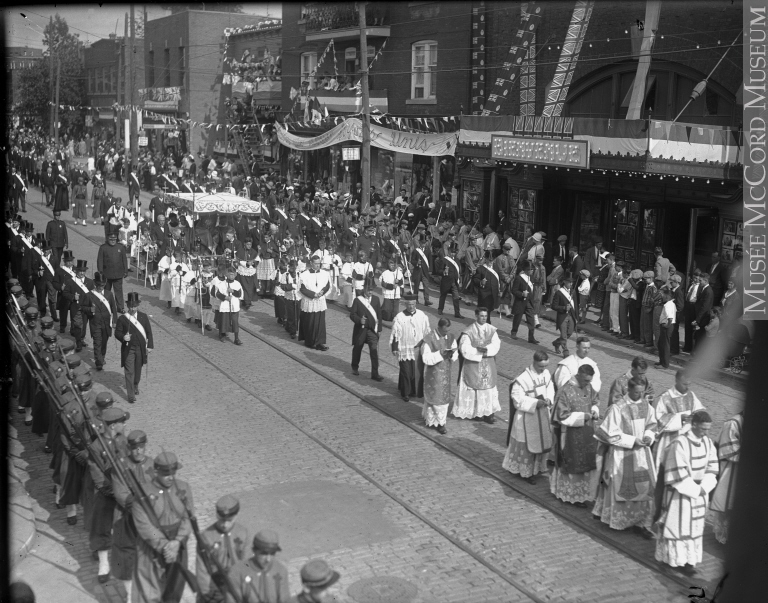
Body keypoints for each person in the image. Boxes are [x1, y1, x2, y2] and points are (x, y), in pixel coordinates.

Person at [653, 410, 718, 576]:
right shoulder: (679, 443)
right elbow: (678, 473)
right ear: (694, 424)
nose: (706, 432)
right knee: (678, 527)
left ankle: (689, 561)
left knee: (694, 529)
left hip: (700, 492)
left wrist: (705, 486)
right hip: (680, 493)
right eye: (703, 429)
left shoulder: (708, 442)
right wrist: (695, 489)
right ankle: (673, 560)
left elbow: (712, 466)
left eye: (708, 429)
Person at [592, 378, 658, 537]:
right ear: (628, 390)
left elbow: (652, 424)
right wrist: (633, 440)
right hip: (622, 453)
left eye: (642, 391)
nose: (640, 395)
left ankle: (642, 522)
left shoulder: (645, 406)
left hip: (641, 454)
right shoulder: (618, 408)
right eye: (637, 392)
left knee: (645, 487)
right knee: (620, 485)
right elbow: (609, 434)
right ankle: (619, 519)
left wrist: (649, 436)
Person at [132, 452, 193, 603]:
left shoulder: (183, 487)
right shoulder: (143, 493)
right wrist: (165, 546)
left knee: (176, 585)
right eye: (166, 474)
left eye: (173, 472)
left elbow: (188, 517)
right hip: (151, 545)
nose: (171, 477)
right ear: (156, 471)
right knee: (150, 589)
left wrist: (177, 542)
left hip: (178, 544)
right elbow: (143, 524)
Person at [87, 406, 131, 583]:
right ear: (113, 426)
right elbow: (96, 474)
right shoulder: (96, 446)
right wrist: (114, 491)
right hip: (106, 493)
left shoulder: (124, 441)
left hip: (124, 492)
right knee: (101, 527)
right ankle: (103, 565)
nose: (125, 424)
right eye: (122, 422)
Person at [550, 364, 600, 506]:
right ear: (578, 375)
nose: (587, 384)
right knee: (573, 461)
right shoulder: (565, 391)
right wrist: (583, 416)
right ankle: (572, 494)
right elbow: (562, 416)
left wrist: (595, 410)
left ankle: (585, 493)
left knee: (587, 461)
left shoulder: (588, 387)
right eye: (585, 381)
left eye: (589, 381)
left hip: (588, 433)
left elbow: (595, 400)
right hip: (571, 434)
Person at [503, 351, 556, 484]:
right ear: (534, 362)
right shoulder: (522, 378)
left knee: (540, 441)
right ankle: (526, 472)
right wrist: (535, 403)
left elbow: (550, 388)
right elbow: (517, 399)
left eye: (545, 366)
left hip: (542, 415)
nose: (543, 369)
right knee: (527, 445)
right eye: (540, 367)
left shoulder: (546, 374)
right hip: (526, 417)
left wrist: (549, 399)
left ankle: (537, 468)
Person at [111, 429, 151, 602]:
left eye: (141, 447)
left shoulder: (153, 464)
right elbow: (120, 493)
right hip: (126, 518)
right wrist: (138, 502)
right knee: (127, 556)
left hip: (149, 518)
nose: (138, 451)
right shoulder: (121, 466)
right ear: (130, 448)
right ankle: (130, 593)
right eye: (134, 448)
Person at [196, 495, 249, 603]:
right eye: (221, 520)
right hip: (213, 587)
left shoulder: (243, 533)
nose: (225, 525)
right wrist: (209, 594)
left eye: (229, 520)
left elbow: (247, 562)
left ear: (236, 516)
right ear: (216, 515)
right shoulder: (206, 536)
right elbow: (201, 569)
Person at [452, 307, 501, 423]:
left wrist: (487, 350)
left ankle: (489, 413)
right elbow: (463, 347)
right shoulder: (469, 331)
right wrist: (478, 352)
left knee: (488, 389)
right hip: (473, 364)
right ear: (476, 316)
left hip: (488, 363)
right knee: (474, 389)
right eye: (481, 316)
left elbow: (496, 344)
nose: (484, 318)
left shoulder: (491, 330)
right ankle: (476, 413)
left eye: (485, 316)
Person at [653, 370, 705, 467]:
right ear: (676, 381)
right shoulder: (666, 397)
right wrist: (680, 418)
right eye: (685, 384)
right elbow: (659, 419)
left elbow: (699, 410)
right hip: (670, 439)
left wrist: (698, 415)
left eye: (689, 384)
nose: (687, 387)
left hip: (688, 438)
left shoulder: (690, 395)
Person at [226, 530, 290, 603]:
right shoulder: (237, 571)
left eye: (272, 554)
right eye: (264, 554)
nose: (268, 559)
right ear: (254, 550)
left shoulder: (280, 570)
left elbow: (285, 600)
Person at [390, 294, 431, 402]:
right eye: (408, 304)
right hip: (404, 348)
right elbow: (395, 333)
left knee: (415, 371)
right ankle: (405, 393)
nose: (411, 307)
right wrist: (394, 347)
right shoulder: (400, 317)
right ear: (405, 304)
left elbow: (427, 331)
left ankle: (413, 390)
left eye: (413, 304)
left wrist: (429, 345)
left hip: (418, 348)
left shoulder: (422, 316)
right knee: (406, 371)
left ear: (415, 304)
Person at [710, 411, 743, 545]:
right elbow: (728, 449)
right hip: (730, 469)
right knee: (728, 502)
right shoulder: (733, 423)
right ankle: (723, 536)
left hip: (743, 471)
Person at [115, 292, 154, 404]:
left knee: (137, 370)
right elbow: (117, 333)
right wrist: (123, 337)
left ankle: (135, 384)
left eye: (135, 306)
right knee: (129, 372)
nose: (133, 308)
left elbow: (148, 332)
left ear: (138, 306)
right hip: (128, 349)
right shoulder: (122, 319)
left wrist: (150, 346)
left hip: (140, 348)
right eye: (131, 306)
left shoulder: (143, 317)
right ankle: (131, 395)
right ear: (128, 306)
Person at [421, 318, 457, 434]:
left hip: (446, 373)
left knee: (444, 398)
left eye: (448, 330)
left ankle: (441, 422)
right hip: (433, 373)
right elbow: (425, 358)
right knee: (435, 396)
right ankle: (434, 421)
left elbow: (455, 353)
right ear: (439, 328)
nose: (447, 333)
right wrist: (440, 354)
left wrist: (452, 355)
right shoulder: (429, 339)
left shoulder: (450, 337)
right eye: (445, 331)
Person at [82, 272, 117, 371]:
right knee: (97, 342)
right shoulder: (89, 295)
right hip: (95, 323)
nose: (100, 287)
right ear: (95, 284)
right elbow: (83, 308)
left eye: (102, 285)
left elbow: (113, 308)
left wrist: (115, 321)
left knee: (104, 342)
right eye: (98, 285)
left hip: (106, 323)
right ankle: (98, 362)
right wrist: (90, 310)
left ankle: (102, 356)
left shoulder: (109, 294)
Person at [350, 277, 383, 381]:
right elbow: (352, 315)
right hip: (361, 329)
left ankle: (375, 373)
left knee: (374, 351)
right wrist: (360, 320)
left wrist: (380, 329)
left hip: (372, 330)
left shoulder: (376, 300)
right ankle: (355, 367)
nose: (370, 292)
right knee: (357, 348)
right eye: (368, 290)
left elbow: (379, 315)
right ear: (364, 289)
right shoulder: (358, 300)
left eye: (371, 290)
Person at [298, 255, 331, 351]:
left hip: (320, 301)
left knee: (320, 322)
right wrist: (313, 294)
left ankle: (319, 342)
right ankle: (310, 341)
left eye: (319, 263)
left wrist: (322, 292)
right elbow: (302, 288)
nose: (318, 265)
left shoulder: (324, 273)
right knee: (310, 321)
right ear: (311, 263)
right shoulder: (304, 275)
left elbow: (327, 285)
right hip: (309, 300)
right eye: (316, 263)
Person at [62, 259, 93, 352]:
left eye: (83, 271)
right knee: (77, 325)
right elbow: (65, 293)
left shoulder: (90, 282)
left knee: (84, 324)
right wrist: (73, 297)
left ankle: (82, 339)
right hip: (76, 307)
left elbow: (93, 295)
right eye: (80, 271)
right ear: (76, 271)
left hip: (86, 308)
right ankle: (78, 342)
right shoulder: (70, 281)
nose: (82, 273)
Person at [96, 231, 129, 313]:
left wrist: (126, 270)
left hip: (118, 274)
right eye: (111, 239)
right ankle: (106, 305)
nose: (113, 241)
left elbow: (124, 259)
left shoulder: (121, 247)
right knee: (107, 291)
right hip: (106, 274)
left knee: (119, 292)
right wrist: (100, 272)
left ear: (116, 239)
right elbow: (100, 260)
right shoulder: (103, 247)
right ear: (107, 239)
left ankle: (120, 307)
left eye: (114, 239)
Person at [510, 259, 537, 343]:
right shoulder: (519, 278)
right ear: (526, 270)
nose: (532, 271)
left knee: (531, 320)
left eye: (532, 269)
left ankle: (531, 337)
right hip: (520, 301)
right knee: (517, 318)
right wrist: (521, 294)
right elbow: (514, 290)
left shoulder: (531, 278)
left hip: (529, 302)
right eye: (530, 269)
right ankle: (514, 332)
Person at [215, 268, 243, 345]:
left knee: (235, 322)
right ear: (227, 275)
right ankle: (222, 334)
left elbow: (240, 294)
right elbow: (217, 294)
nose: (232, 276)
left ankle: (236, 338)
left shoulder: (237, 283)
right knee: (224, 320)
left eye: (233, 274)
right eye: (230, 274)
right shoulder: (222, 284)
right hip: (225, 305)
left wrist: (233, 291)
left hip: (234, 305)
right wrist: (225, 297)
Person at [551, 276, 577, 357]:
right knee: (563, 335)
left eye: (572, 282)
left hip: (571, 315)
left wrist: (577, 317)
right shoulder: (559, 293)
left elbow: (575, 305)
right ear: (565, 282)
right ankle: (565, 351)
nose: (571, 284)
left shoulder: (573, 291)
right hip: (563, 316)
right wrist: (564, 308)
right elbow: (554, 306)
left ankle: (556, 343)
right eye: (569, 282)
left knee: (569, 333)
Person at [436, 244, 464, 318]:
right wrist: (443, 271)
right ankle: (440, 309)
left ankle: (457, 313)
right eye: (452, 252)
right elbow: (438, 271)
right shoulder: (444, 260)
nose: (453, 253)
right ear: (448, 251)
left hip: (454, 282)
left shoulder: (457, 260)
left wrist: (460, 281)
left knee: (456, 297)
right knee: (443, 295)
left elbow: (459, 272)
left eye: (454, 252)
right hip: (446, 281)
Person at [656, 289, 677, 369]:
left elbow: (670, 318)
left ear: (667, 296)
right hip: (668, 325)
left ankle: (665, 364)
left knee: (665, 345)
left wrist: (667, 325)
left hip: (667, 326)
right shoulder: (672, 304)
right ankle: (662, 361)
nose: (661, 297)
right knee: (661, 344)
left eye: (662, 295)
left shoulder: (668, 305)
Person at [380, 257, 404, 321]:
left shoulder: (399, 272)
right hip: (388, 293)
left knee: (395, 310)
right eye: (391, 264)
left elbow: (402, 282)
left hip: (396, 294)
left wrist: (398, 281)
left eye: (394, 264)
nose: (392, 266)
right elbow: (383, 283)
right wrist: (391, 286)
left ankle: (394, 318)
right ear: (388, 264)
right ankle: (382, 315)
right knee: (387, 310)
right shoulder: (385, 273)